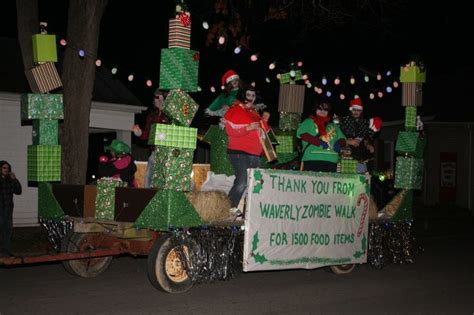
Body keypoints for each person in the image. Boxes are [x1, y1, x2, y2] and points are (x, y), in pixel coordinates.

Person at [224, 85, 264, 213]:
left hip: (255, 153)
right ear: (242, 95)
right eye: (248, 95)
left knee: (254, 183)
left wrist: (264, 122)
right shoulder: (235, 110)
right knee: (242, 181)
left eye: (253, 96)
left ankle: (250, 212)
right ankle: (228, 209)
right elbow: (229, 130)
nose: (251, 98)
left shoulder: (254, 112)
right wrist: (247, 128)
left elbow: (263, 131)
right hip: (239, 152)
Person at [132, 89, 169, 188]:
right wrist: (139, 133)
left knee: (165, 182)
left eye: (158, 97)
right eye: (155, 97)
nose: (155, 99)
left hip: (168, 154)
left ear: (164, 98)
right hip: (154, 152)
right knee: (148, 181)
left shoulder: (170, 115)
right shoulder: (152, 115)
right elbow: (147, 134)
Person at [296, 101, 346, 172]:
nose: (323, 111)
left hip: (331, 160)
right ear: (315, 109)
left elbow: (343, 139)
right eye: (320, 109)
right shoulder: (308, 122)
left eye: (325, 110)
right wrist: (319, 142)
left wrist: (339, 143)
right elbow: (303, 135)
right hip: (313, 159)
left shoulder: (333, 125)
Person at [339, 98, 382, 173]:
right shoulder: (343, 121)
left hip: (361, 157)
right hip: (346, 157)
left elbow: (366, 137)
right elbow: (336, 136)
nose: (356, 112)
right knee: (346, 179)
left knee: (360, 181)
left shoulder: (365, 123)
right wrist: (348, 141)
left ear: (361, 111)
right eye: (354, 109)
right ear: (350, 110)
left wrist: (369, 145)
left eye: (358, 110)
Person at [0, 160, 22, 256]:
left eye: (7, 168)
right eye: (4, 168)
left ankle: (7, 252)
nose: (6, 170)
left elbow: (18, 191)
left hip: (8, 210)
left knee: (7, 231)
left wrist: (15, 179)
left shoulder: (10, 180)